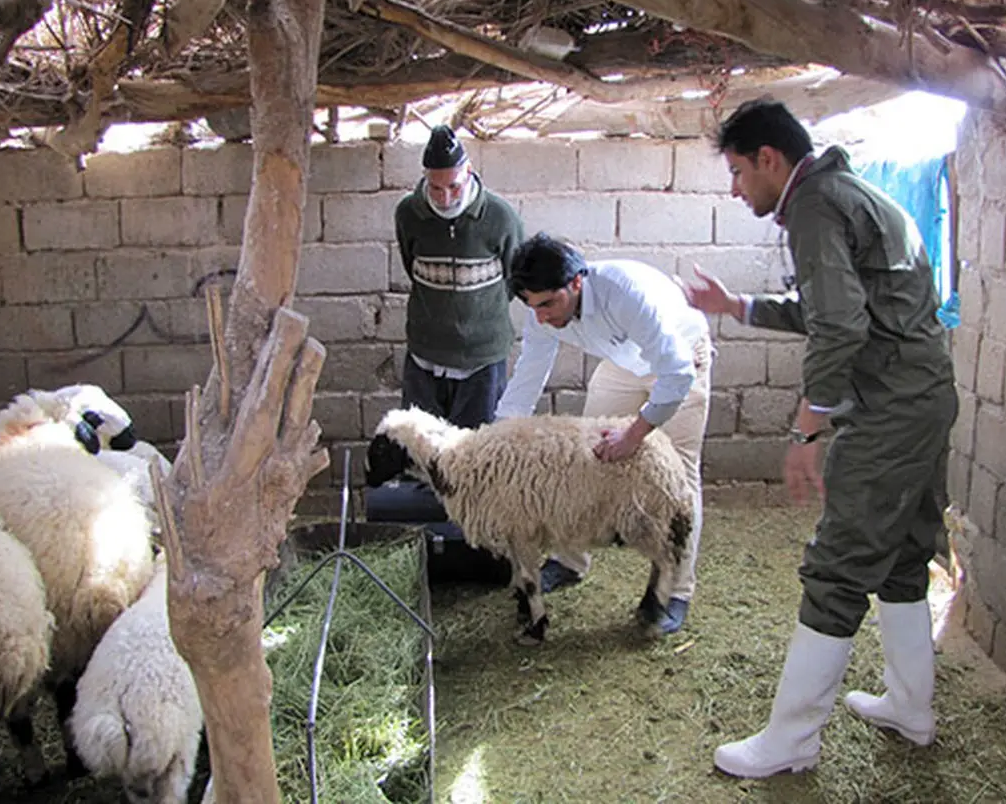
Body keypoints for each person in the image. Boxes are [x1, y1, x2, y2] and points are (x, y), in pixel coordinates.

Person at [683, 99, 957, 778]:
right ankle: (910, 707)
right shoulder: (851, 193)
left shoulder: (812, 206)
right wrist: (736, 306)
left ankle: (792, 741)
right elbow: (838, 306)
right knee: (901, 555)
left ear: (770, 159)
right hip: (924, 397)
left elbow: (839, 327)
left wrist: (809, 426)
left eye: (739, 172)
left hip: (889, 411)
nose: (736, 188)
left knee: (836, 569)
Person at [495, 232, 712, 634]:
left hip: (681, 358)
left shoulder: (623, 292)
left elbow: (676, 370)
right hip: (623, 361)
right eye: (531, 305)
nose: (540, 315)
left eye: (548, 304)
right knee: (584, 457)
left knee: (680, 479)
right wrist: (502, 436)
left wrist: (635, 435)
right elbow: (530, 369)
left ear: (576, 282)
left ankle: (675, 592)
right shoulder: (540, 309)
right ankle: (570, 560)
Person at [395, 125, 524, 428]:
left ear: (468, 171)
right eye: (436, 188)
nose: (445, 196)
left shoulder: (499, 216)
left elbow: (514, 277)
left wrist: (474, 310)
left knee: (475, 452)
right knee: (421, 445)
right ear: (426, 177)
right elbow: (409, 263)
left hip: (482, 356)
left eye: (453, 186)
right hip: (426, 351)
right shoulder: (408, 213)